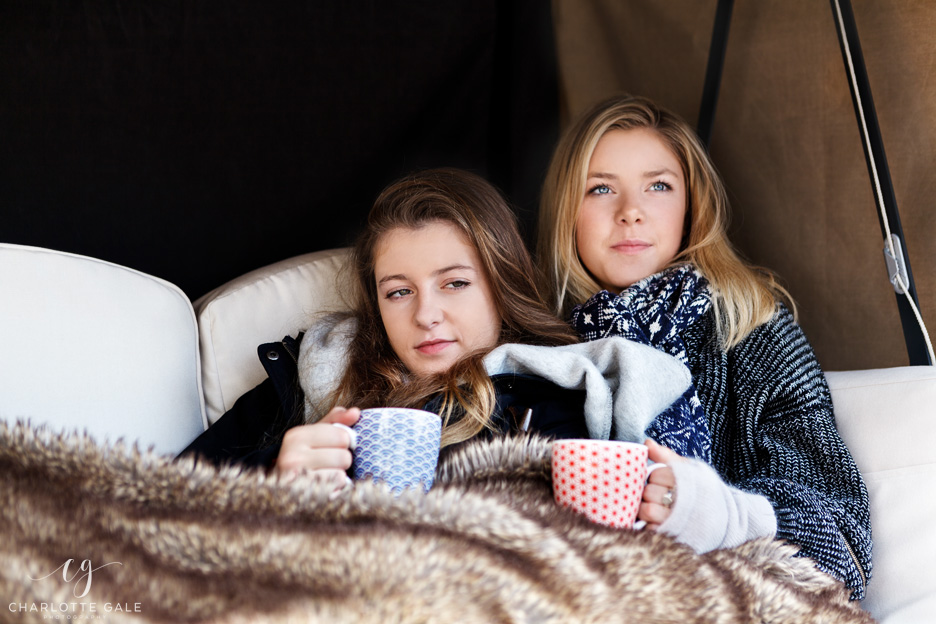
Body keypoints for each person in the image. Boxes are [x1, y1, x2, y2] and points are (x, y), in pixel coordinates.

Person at [536, 94, 872, 599]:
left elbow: (842, 544)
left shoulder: (750, 326)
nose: (630, 212)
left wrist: (707, 511)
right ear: (567, 211)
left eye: (659, 186)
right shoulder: (535, 343)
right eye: (601, 188)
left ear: (692, 207)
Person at [182, 167, 691, 486]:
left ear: (501, 284)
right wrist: (270, 475)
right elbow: (157, 501)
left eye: (454, 284)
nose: (425, 315)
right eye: (398, 292)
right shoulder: (312, 372)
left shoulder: (559, 395)